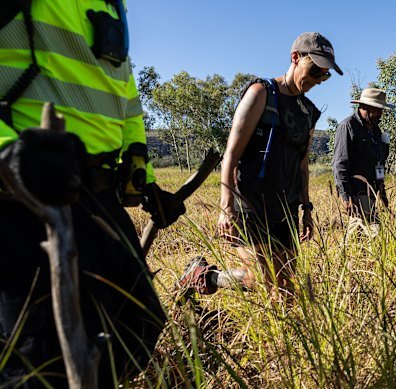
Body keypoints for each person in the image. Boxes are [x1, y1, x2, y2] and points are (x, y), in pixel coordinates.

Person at [0, 1, 185, 386]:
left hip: (97, 195)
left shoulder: (111, 4)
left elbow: (125, 95)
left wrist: (144, 177)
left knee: (137, 323)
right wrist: (6, 154)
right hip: (22, 196)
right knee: (36, 365)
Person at [177, 32, 342, 300]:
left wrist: (306, 208)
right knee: (259, 279)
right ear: (295, 58)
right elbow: (231, 153)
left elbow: (303, 163)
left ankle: (280, 339)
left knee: (286, 287)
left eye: (324, 75)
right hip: (249, 203)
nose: (317, 81)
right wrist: (226, 207)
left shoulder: (308, 112)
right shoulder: (261, 93)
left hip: (285, 206)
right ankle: (205, 276)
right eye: (314, 71)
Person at [332, 88, 392, 237]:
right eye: (377, 109)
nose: (380, 114)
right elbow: (340, 164)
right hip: (356, 191)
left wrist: (381, 191)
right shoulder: (348, 126)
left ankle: (344, 259)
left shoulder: (376, 131)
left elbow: (379, 163)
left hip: (371, 190)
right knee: (376, 233)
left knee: (355, 235)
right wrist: (346, 196)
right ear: (364, 107)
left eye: (381, 110)